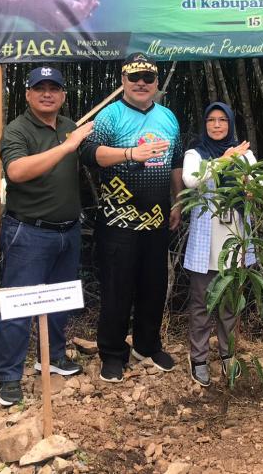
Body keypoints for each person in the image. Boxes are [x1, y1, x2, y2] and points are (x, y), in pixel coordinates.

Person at [0, 66, 94, 406]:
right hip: (29, 232)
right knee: (19, 305)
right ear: (28, 94)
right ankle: (7, 376)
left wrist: (129, 154)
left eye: (54, 88)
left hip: (68, 230)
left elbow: (93, 155)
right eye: (40, 88)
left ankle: (51, 357)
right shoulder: (17, 130)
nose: (47, 94)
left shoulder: (68, 127)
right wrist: (68, 148)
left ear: (63, 95)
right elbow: (17, 172)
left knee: (59, 300)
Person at [80, 53, 184, 382]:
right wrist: (129, 154)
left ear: (156, 83)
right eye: (134, 77)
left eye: (148, 78)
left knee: (153, 286)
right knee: (117, 289)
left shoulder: (168, 117)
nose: (141, 83)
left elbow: (176, 161)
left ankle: (147, 345)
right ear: (123, 80)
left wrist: (178, 202)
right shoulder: (110, 115)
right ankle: (112, 351)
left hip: (157, 219)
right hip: (118, 220)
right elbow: (89, 154)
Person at [182, 102, 256, 387]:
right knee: (201, 304)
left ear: (230, 124)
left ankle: (228, 355)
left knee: (230, 305)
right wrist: (225, 160)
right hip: (207, 243)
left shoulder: (245, 154)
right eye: (211, 120)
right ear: (204, 124)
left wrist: (251, 187)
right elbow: (191, 179)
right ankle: (199, 358)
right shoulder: (195, 153)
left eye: (222, 120)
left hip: (235, 240)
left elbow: (257, 183)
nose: (216, 125)